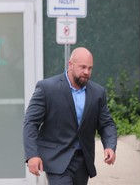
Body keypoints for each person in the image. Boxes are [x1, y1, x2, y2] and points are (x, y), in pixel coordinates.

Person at [23, 47, 117, 185]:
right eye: (83, 67)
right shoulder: (47, 88)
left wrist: (109, 145)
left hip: (83, 162)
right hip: (57, 161)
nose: (86, 72)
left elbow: (106, 124)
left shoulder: (98, 93)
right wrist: (32, 155)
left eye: (90, 68)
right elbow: (30, 123)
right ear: (70, 64)